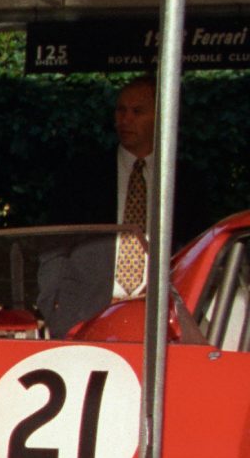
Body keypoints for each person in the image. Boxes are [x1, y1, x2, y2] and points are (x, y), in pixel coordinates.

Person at [47, 76, 217, 297]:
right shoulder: (83, 176)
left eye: (137, 112)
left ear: (160, 118)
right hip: (92, 303)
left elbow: (197, 249)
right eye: (121, 110)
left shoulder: (184, 181)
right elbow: (57, 245)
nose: (125, 120)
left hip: (160, 304)